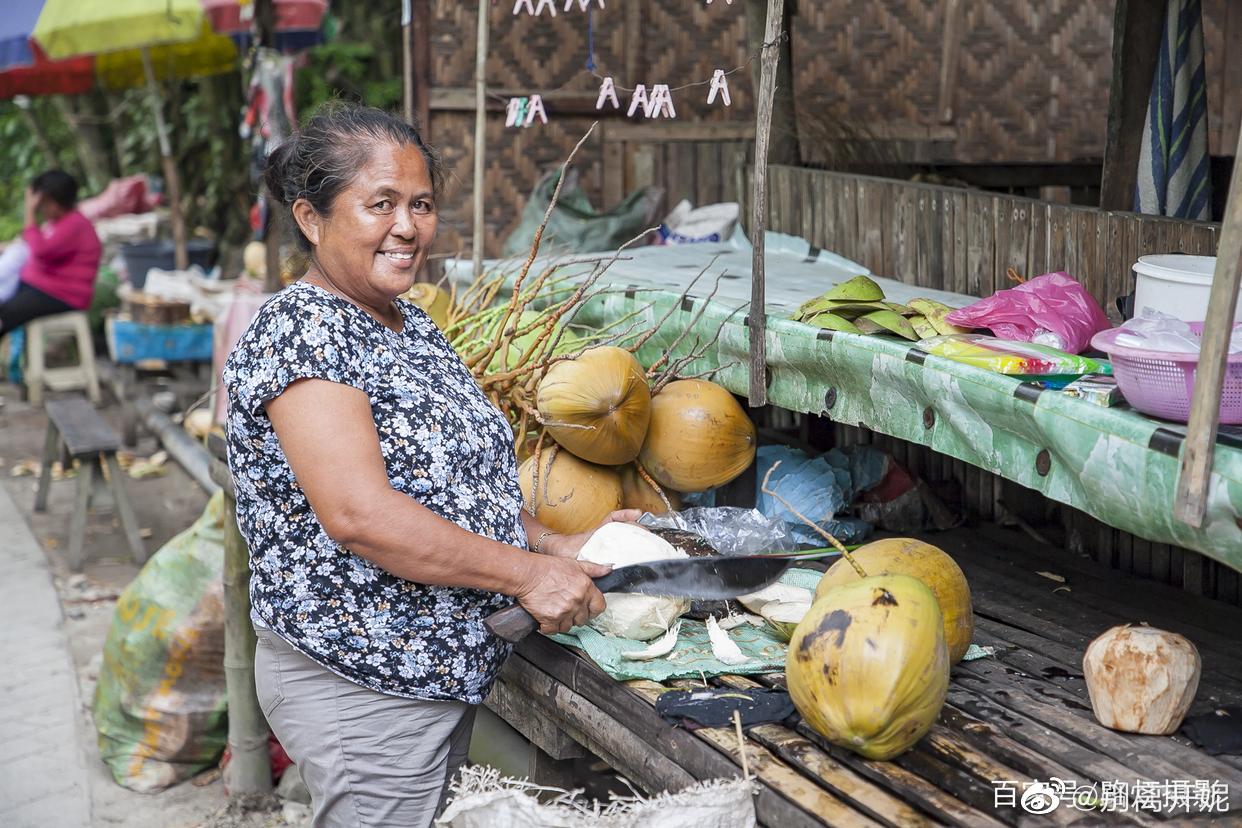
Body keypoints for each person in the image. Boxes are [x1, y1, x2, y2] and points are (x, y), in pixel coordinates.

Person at [223, 104, 635, 828]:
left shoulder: (406, 321)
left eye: (420, 204)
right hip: (361, 683)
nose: (408, 226)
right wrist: (529, 575)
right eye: (379, 204)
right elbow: (362, 516)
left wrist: (556, 545)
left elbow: (455, 492)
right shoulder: (304, 329)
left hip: (426, 677)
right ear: (311, 219)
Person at [0, 170, 101, 333]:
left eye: (42, 204)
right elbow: (31, 244)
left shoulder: (75, 224)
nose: (41, 209)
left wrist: (29, 212)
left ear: (54, 202)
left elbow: (40, 251)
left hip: (62, 295)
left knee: (5, 316)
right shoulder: (58, 223)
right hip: (43, 288)